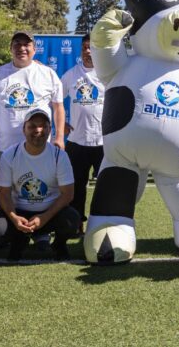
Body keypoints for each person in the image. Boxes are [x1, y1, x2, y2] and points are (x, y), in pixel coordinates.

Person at [0, 109, 82, 260]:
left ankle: (59, 244)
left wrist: (44, 217)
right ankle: (19, 239)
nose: (38, 130)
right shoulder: (10, 155)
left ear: (50, 130)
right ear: (23, 129)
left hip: (50, 213)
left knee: (72, 220)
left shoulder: (59, 156)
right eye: (32, 126)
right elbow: (4, 194)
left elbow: (68, 194)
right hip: (20, 211)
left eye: (44, 126)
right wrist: (14, 218)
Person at [0, 31, 65, 158]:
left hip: (40, 146)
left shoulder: (48, 74)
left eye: (26, 44)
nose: (22, 48)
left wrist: (59, 137)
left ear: (34, 49)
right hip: (6, 148)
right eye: (17, 44)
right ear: (11, 49)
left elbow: (58, 107)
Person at [60, 34, 105, 232]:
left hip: (104, 142)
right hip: (77, 141)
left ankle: (102, 224)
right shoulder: (70, 75)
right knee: (76, 187)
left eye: (92, 47)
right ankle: (76, 224)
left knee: (106, 188)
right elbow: (55, 100)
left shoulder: (108, 74)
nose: (88, 51)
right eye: (85, 47)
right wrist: (61, 123)